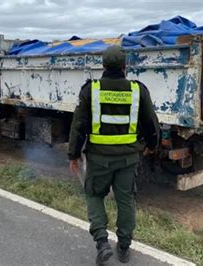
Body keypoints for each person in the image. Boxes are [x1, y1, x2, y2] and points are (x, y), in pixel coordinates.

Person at [68, 45, 159, 265]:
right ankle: (124, 247)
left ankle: (101, 242)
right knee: (125, 199)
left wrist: (73, 155)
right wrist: (152, 145)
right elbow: (151, 123)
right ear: (125, 66)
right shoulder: (138, 90)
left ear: (103, 65)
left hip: (99, 158)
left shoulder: (91, 90)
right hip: (128, 159)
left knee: (94, 195)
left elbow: (78, 125)